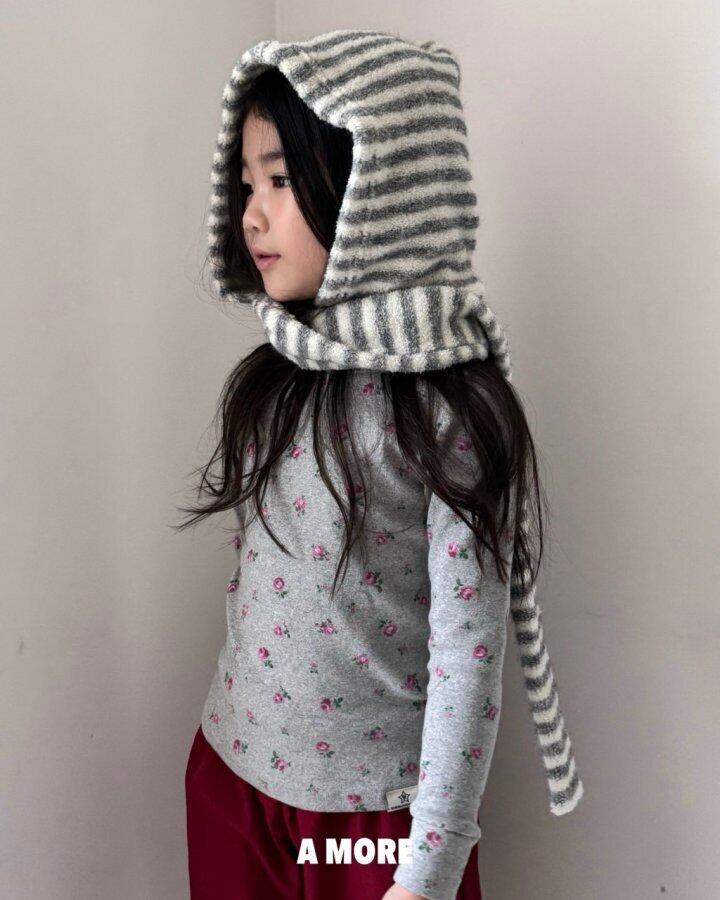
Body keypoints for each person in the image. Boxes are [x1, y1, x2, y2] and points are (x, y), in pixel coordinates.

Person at [177, 28, 584, 900]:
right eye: (245, 184)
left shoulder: (446, 414)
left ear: (376, 191)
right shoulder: (275, 377)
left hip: (373, 824)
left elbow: (468, 659)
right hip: (233, 776)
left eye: (280, 180)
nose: (252, 214)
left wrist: (427, 865)